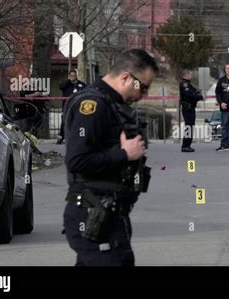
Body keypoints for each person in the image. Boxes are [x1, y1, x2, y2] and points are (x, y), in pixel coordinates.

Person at [62, 49, 158, 266]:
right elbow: (77, 160)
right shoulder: (93, 106)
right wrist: (124, 153)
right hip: (93, 213)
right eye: (142, 87)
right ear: (125, 77)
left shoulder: (113, 105)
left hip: (108, 214)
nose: (144, 94)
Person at [58, 70, 87, 144]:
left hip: (77, 106)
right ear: (69, 76)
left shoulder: (81, 84)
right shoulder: (66, 84)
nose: (73, 77)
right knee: (64, 121)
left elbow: (86, 90)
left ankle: (76, 137)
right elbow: (61, 86)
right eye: (71, 76)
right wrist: (69, 81)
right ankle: (61, 136)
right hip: (67, 106)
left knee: (77, 121)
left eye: (74, 76)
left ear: (76, 76)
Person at [179, 70, 204, 152]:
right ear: (186, 75)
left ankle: (187, 145)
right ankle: (185, 145)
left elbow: (195, 92)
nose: (192, 76)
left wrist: (198, 94)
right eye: (190, 74)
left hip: (191, 107)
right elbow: (190, 95)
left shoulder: (189, 84)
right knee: (189, 126)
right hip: (187, 108)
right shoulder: (185, 84)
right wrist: (198, 97)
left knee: (190, 126)